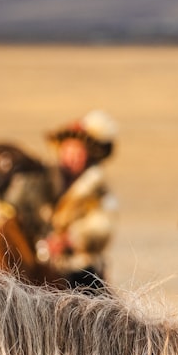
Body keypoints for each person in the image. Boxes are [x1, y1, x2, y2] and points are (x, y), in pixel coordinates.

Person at [40, 111, 119, 292]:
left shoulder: (98, 189)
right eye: (68, 151)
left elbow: (103, 225)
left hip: (79, 269)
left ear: (88, 156)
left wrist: (69, 240)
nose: (72, 157)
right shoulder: (43, 181)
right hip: (40, 262)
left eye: (78, 152)